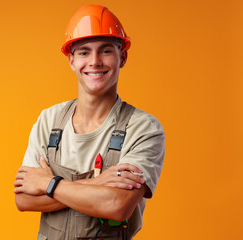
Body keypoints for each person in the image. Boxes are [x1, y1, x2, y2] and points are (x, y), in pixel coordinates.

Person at [14, 5, 165, 240]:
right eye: (84, 52)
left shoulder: (143, 128)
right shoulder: (49, 120)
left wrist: (49, 184)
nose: (94, 61)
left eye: (105, 51)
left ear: (121, 57)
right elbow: (23, 199)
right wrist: (99, 183)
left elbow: (117, 205)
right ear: (71, 60)